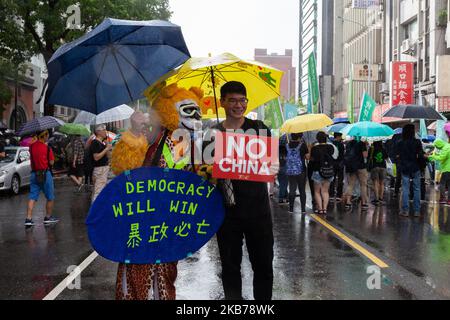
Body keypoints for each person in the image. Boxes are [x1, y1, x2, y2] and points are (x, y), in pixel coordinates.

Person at [214, 81, 274, 300]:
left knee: (264, 266)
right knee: (230, 269)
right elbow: (203, 170)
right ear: (222, 102)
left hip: (259, 211)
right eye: (232, 100)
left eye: (242, 100)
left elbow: (272, 163)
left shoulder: (259, 128)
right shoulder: (213, 132)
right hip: (226, 213)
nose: (238, 105)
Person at [24, 130, 59, 226]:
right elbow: (51, 162)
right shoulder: (47, 148)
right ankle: (48, 217)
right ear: (44, 136)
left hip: (34, 174)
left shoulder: (31, 146)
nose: (48, 136)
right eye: (47, 135)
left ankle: (28, 218)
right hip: (45, 174)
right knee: (50, 197)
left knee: (32, 196)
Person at [395, 124, 426, 217]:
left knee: (405, 189)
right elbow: (420, 155)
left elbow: (397, 156)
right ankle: (417, 211)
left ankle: (405, 210)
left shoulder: (400, 142)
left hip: (404, 168)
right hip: (415, 167)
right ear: (412, 131)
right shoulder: (417, 142)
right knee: (417, 189)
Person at [309, 131, 336, 214]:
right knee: (325, 191)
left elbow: (311, 159)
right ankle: (325, 209)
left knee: (317, 191)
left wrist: (310, 149)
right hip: (328, 171)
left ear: (317, 139)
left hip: (317, 171)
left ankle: (320, 209)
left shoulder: (315, 148)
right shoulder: (331, 147)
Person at [285, 133, 309, 214]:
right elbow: (307, 157)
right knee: (302, 190)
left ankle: (291, 209)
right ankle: (303, 209)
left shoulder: (287, 145)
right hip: (301, 170)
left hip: (290, 170)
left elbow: (286, 157)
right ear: (300, 137)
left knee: (292, 189)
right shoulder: (302, 145)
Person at [343, 137, 369, 211]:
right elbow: (365, 155)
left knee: (351, 184)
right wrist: (366, 147)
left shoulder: (349, 143)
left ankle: (348, 202)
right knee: (363, 185)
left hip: (352, 167)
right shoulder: (362, 144)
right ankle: (364, 203)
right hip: (361, 167)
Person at [90, 124, 112, 203]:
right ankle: (95, 212)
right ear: (98, 132)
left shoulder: (102, 143)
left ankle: (93, 210)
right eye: (104, 129)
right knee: (98, 192)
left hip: (103, 169)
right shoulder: (95, 142)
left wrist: (107, 147)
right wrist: (106, 149)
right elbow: (96, 157)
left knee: (97, 191)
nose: (105, 131)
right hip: (100, 169)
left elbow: (109, 157)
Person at [429, 139, 450, 205]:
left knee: (442, 183)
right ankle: (449, 200)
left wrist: (432, 156)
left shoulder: (445, 148)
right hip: (448, 168)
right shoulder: (447, 146)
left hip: (447, 169)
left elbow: (441, 158)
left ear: (439, 145)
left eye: (437, 146)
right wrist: (436, 154)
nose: (437, 148)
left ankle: (443, 198)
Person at [368, 141, 388, 205]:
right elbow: (386, 158)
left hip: (374, 167)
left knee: (375, 183)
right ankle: (381, 198)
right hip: (383, 167)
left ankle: (376, 199)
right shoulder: (383, 149)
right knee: (382, 183)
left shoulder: (372, 149)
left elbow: (368, 157)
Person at [329, 132, 345, 202]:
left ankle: (331, 195)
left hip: (332, 163)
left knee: (332, 179)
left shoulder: (331, 144)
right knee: (340, 180)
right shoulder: (341, 144)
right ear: (338, 136)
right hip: (340, 164)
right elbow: (342, 154)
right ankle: (339, 195)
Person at [277, 134, 289, 205]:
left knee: (282, 182)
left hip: (278, 166)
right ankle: (281, 198)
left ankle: (286, 197)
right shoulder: (287, 149)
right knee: (284, 183)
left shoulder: (276, 149)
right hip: (285, 166)